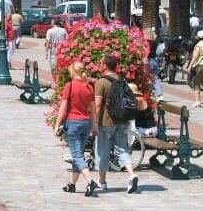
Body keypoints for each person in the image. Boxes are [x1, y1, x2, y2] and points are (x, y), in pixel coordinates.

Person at [94, 54, 139, 193]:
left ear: (106, 66)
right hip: (122, 120)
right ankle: (132, 174)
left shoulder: (101, 82)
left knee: (102, 151)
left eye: (101, 63)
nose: (99, 65)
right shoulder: (122, 80)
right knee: (122, 149)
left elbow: (97, 105)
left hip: (106, 121)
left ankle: (102, 182)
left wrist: (94, 122)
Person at [53, 62, 99, 196]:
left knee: (77, 156)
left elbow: (63, 107)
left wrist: (57, 125)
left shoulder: (70, 86)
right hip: (86, 122)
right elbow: (93, 110)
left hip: (73, 122)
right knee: (78, 154)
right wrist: (94, 126)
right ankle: (72, 185)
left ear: (72, 72)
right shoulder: (88, 87)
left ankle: (90, 181)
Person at [187, 30, 203, 107]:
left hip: (200, 66)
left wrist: (190, 66)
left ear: (197, 37)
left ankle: (197, 102)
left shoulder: (199, 45)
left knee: (196, 84)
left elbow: (195, 57)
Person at [146, 31, 164, 102]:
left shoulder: (146, 42)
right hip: (154, 61)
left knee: (147, 79)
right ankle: (160, 95)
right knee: (156, 79)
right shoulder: (155, 43)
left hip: (148, 61)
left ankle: (150, 94)